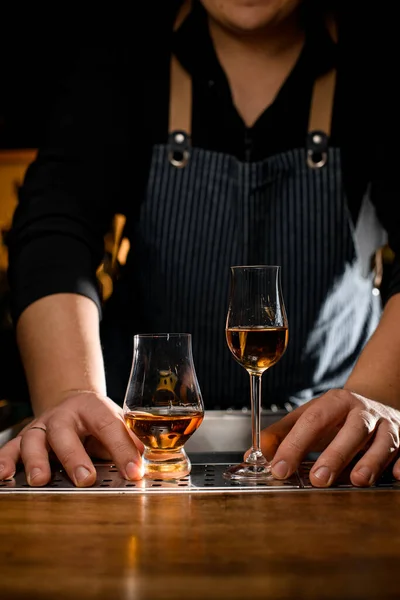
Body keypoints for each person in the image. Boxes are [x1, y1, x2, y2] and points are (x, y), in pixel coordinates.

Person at [1, 0, 400, 488]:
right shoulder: (125, 54)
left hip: (333, 454)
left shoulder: (377, 62)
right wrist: (69, 391)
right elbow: (55, 228)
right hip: (141, 447)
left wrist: (380, 397)